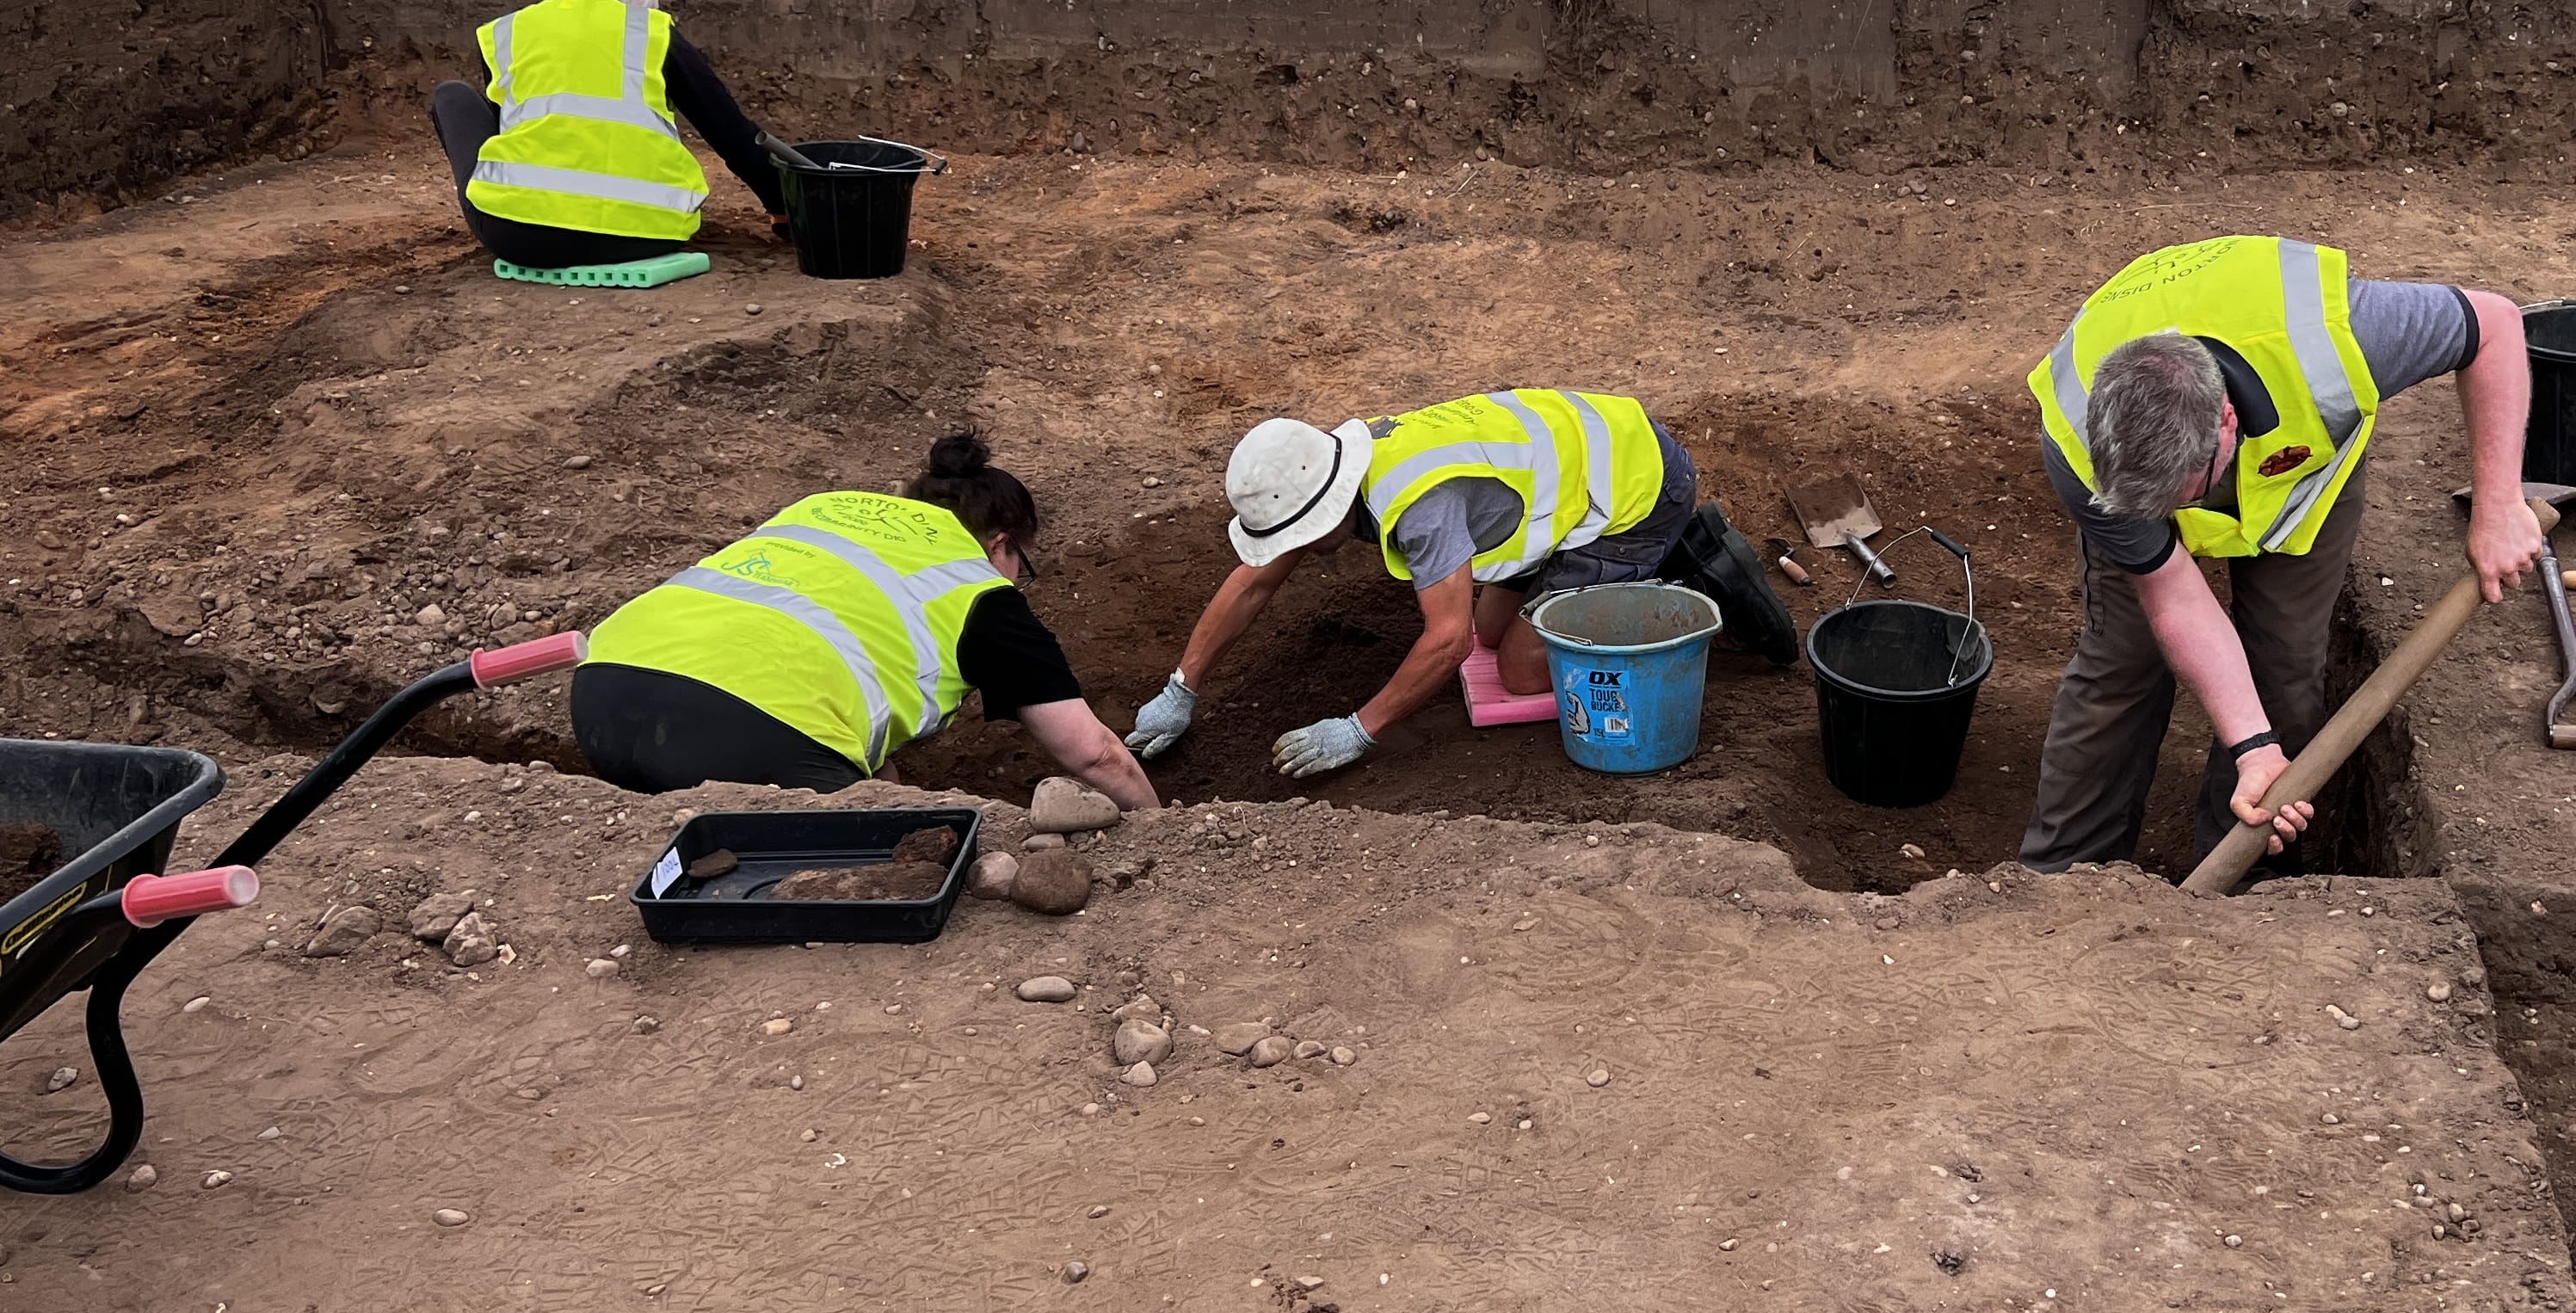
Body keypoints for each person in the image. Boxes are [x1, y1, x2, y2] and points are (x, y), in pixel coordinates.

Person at [2019, 236, 2544, 878]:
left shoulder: (2347, 336)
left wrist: (2498, 503)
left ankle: (2243, 887)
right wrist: (2251, 741)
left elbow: (2494, 323)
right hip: (2155, 474)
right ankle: (2062, 879)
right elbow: (2172, 590)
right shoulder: (2076, 438)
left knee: (2285, 672)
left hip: (2304, 487)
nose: (2171, 516)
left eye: (2179, 497)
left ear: (2226, 423)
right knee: (2121, 664)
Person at [1127, 388, 1790, 780]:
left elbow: (1446, 642)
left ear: (1325, 511)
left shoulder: (1421, 508)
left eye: (1295, 537)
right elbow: (1253, 583)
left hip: (1634, 492)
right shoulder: (1331, 465)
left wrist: (1357, 730)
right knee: (1494, 633)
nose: (1291, 554)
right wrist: (1179, 688)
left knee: (1527, 672)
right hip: (1563, 482)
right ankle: (1580, 577)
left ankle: (1688, 560)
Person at [572, 434, 1159, 809]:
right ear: (999, 544)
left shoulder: (821, 508)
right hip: (741, 737)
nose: (1015, 580)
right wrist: (1165, 831)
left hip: (604, 694)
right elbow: (1093, 755)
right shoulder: (978, 592)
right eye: (1020, 566)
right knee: (903, 859)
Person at [431, 0, 790, 271]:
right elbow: (731, 133)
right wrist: (784, 207)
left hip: (522, 238)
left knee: (452, 95)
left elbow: (508, 132)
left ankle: (514, 207)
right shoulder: (650, 31)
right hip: (651, 233)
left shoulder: (509, 31)